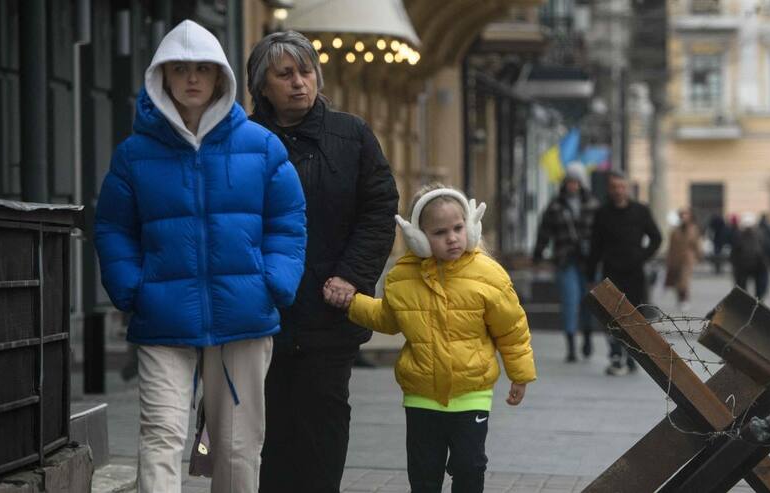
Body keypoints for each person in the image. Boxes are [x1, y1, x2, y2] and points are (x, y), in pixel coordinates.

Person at [94, 20, 306, 492]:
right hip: (163, 315)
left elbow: (288, 220)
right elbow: (112, 227)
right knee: (161, 435)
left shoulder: (261, 146)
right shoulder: (134, 154)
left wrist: (273, 281)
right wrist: (132, 288)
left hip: (243, 315)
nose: (192, 78)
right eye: (180, 68)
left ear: (219, 77)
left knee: (235, 445)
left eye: (203, 69)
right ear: (162, 77)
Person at [246, 31, 400, 493]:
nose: (299, 82)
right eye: (285, 74)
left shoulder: (351, 135)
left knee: (323, 419)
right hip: (262, 308)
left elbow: (379, 210)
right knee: (268, 424)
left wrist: (351, 276)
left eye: (306, 71)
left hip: (329, 307)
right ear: (262, 85)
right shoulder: (244, 140)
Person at [343, 184, 537, 493]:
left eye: (458, 228)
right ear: (417, 238)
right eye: (440, 232)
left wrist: (520, 375)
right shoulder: (402, 278)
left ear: (470, 227)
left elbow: (511, 329)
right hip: (421, 393)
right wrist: (352, 303)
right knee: (423, 473)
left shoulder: (489, 275)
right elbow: (388, 319)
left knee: (470, 466)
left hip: (472, 390)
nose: (452, 238)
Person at [589, 171, 663, 375]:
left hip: (634, 273)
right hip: (610, 273)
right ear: (609, 189)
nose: (618, 191)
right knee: (611, 315)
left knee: (633, 316)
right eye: (614, 187)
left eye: (622, 186)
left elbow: (656, 238)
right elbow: (595, 246)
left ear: (627, 188)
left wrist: (642, 256)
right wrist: (590, 275)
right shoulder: (602, 213)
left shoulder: (640, 211)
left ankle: (631, 355)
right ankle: (615, 354)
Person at [533, 164, 599, 362]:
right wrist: (538, 253)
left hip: (589, 262)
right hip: (565, 260)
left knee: (590, 301)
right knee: (570, 301)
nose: (573, 185)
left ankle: (587, 336)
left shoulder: (592, 204)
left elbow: (602, 232)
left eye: (576, 182)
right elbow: (544, 231)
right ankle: (570, 346)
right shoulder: (556, 206)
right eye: (570, 181)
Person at [665, 208, 703, 312]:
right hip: (676, 259)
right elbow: (671, 247)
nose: (684, 217)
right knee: (677, 282)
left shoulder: (693, 229)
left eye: (686, 215)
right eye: (682, 215)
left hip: (688, 259)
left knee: (684, 281)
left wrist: (699, 256)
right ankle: (680, 299)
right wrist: (669, 259)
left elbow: (697, 244)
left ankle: (685, 300)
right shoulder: (675, 231)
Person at [730, 213, 770, 300]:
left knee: (742, 289)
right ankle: (757, 301)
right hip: (758, 265)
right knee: (759, 290)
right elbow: (767, 249)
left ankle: (746, 301)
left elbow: (734, 252)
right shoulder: (761, 233)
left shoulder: (738, 234)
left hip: (744, 266)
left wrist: (734, 264)